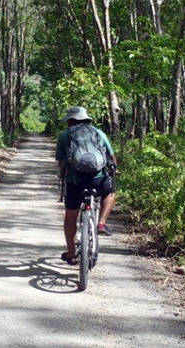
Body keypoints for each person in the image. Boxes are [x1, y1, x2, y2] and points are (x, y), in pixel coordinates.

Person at [55, 106, 117, 265]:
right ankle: (101, 223)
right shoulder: (98, 133)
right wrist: (113, 172)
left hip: (74, 182)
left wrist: (64, 172)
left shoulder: (64, 136)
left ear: (70, 121)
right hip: (98, 179)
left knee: (70, 216)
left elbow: (61, 161)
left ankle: (71, 254)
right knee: (111, 194)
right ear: (86, 119)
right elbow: (111, 157)